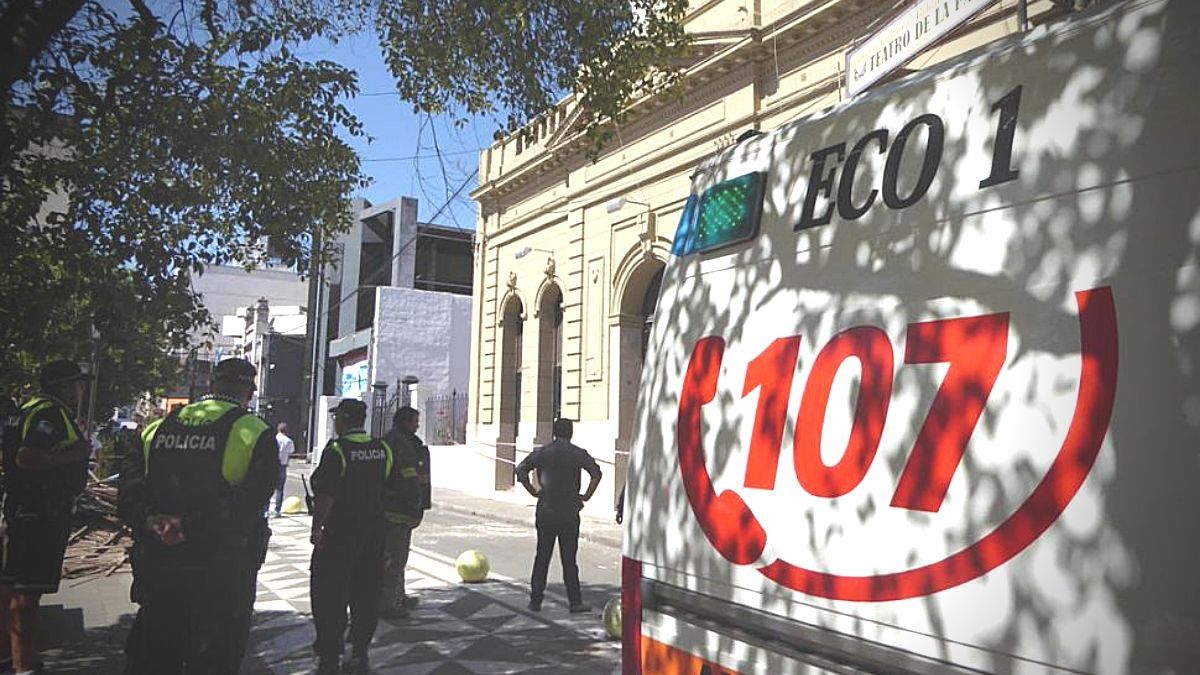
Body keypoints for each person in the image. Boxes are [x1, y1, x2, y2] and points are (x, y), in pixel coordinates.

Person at [118, 358, 278, 674]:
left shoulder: (158, 427)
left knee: (154, 654)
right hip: (221, 570)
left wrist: (151, 520)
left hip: (159, 564)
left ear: (211, 384)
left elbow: (127, 491)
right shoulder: (255, 431)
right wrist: (189, 527)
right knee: (214, 659)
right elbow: (250, 502)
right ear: (249, 391)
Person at [0, 361, 93, 674]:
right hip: (40, 512)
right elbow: (26, 456)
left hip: (22, 508)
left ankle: (9, 656)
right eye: (78, 384)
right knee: (28, 590)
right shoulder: (49, 414)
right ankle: (24, 666)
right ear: (64, 386)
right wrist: (76, 454)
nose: (81, 390)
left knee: (10, 585)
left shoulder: (26, 409)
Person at [309, 399, 393, 675]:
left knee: (329, 596)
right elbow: (387, 489)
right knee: (367, 595)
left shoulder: (337, 450)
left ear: (342, 420)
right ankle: (360, 653)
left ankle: (329, 658)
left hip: (340, 535)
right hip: (374, 535)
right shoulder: (382, 449)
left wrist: (317, 528)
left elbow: (326, 495)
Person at [515, 418, 602, 613]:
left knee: (542, 556)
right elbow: (596, 473)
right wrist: (586, 495)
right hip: (569, 512)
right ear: (571, 433)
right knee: (569, 559)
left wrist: (533, 490)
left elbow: (520, 470)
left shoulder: (542, 452)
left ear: (554, 432)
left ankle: (535, 600)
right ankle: (575, 601)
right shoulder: (578, 453)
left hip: (546, 509)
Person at [379, 406, 428, 617]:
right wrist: (416, 506)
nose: (418, 425)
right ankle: (388, 603)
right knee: (394, 558)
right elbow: (409, 478)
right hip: (398, 510)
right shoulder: (401, 444)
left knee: (398, 557)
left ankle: (398, 595)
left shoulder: (393, 440)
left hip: (392, 508)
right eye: (415, 421)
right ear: (406, 422)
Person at [273, 422, 295, 517]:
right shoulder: (289, 441)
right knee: (280, 489)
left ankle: (265, 510)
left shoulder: (274, 439)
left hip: (273, 465)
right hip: (283, 465)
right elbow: (291, 451)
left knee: (268, 487)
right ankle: (277, 510)